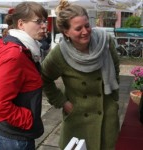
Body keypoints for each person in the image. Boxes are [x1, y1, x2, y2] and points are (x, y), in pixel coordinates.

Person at [41, 0, 120, 150]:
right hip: (78, 118)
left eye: (87, 25)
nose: (85, 31)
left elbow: (115, 67)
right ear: (66, 32)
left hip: (107, 115)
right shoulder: (60, 53)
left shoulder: (106, 41)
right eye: (78, 28)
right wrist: (62, 102)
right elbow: (44, 79)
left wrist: (114, 98)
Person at [0, 1, 48, 150]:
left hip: (15, 134)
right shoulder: (15, 55)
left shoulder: (27, 50)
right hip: (15, 137)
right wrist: (28, 120)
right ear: (21, 24)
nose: (44, 26)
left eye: (45, 21)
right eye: (39, 21)